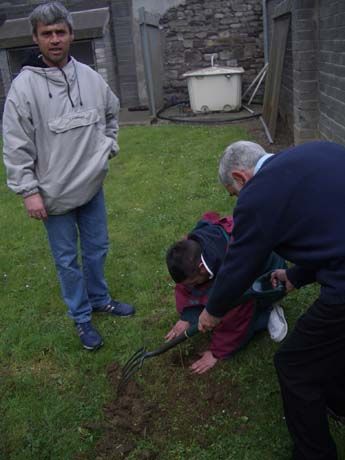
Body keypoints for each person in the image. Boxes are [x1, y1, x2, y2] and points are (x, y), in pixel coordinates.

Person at [198, 140, 345, 460]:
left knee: (294, 365)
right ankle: (339, 400)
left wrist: (213, 310)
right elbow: (329, 229)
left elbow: (241, 263)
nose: (239, 200)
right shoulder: (315, 153)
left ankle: (314, 454)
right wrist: (295, 276)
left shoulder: (258, 194)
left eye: (234, 193)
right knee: (331, 344)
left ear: (240, 177)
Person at [2, 1, 135, 351]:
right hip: (53, 195)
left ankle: (100, 299)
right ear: (36, 38)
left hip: (91, 188)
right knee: (67, 261)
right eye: (47, 34)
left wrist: (108, 146)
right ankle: (82, 319)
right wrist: (29, 191)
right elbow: (15, 145)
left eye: (61, 32)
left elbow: (110, 112)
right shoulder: (24, 89)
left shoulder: (90, 77)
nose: (55, 39)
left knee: (97, 249)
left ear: (72, 35)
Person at [165, 211, 288, 374]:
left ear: (202, 268)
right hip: (233, 272)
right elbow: (187, 287)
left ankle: (268, 311)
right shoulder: (190, 253)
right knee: (211, 296)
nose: (191, 286)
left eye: (193, 282)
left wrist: (217, 352)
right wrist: (189, 316)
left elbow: (237, 316)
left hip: (270, 277)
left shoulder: (233, 267)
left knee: (246, 315)